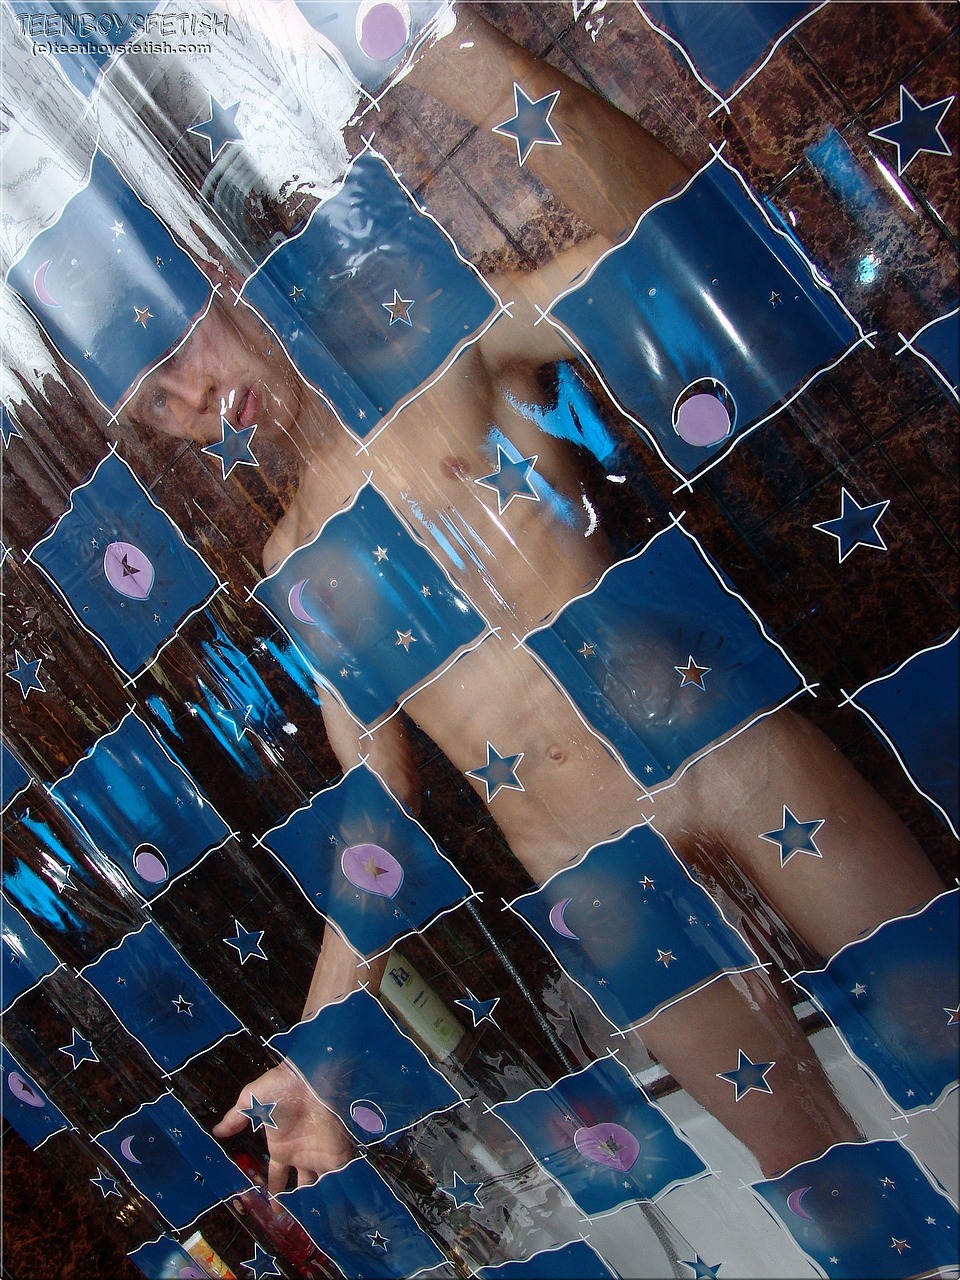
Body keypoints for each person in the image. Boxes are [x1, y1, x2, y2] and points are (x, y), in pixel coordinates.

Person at [120, 7, 944, 1195]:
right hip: (587, 869)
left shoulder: (441, 347)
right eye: (156, 404)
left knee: (944, 1005)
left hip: (725, 750)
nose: (193, 400)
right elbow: (376, 798)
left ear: (212, 276)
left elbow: (669, 241)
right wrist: (321, 1044)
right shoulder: (291, 555)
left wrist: (465, 57)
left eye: (178, 353)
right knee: (811, 1169)